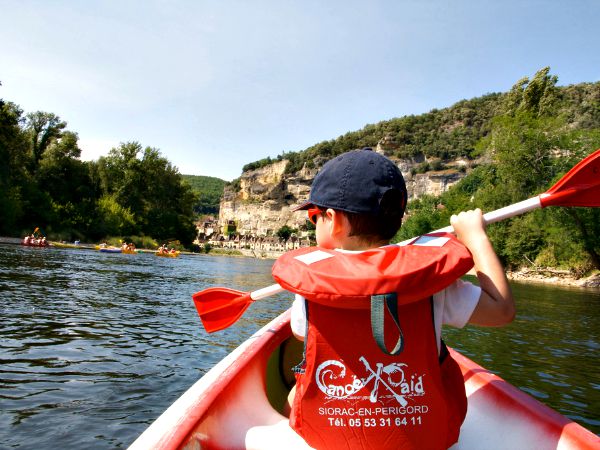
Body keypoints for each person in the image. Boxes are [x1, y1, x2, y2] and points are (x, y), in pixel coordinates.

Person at [272, 148, 514, 450]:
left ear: (332, 221)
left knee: (296, 391)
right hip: (424, 439)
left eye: (314, 217)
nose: (314, 223)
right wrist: (476, 237)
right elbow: (501, 310)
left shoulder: (310, 289)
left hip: (328, 438)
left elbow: (298, 332)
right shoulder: (431, 283)